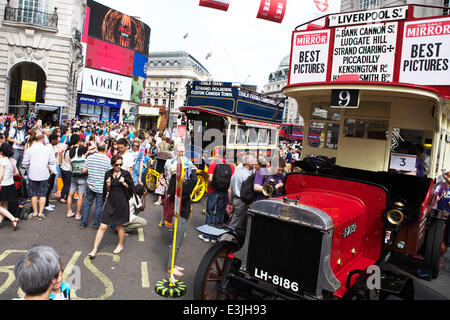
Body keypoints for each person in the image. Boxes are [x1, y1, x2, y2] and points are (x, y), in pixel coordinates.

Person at [87, 155, 135, 258]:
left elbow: (131, 189)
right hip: (111, 202)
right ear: (112, 164)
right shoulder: (108, 174)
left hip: (122, 203)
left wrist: (124, 183)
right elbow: (107, 190)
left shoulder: (125, 174)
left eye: (120, 164)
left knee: (119, 226)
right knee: (102, 226)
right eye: (116, 164)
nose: (119, 166)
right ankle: (94, 249)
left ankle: (120, 244)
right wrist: (108, 184)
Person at [166, 158, 197, 277]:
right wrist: (193, 170)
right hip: (180, 217)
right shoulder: (181, 185)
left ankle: (172, 264)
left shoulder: (175, 183)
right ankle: (170, 267)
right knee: (176, 243)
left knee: (176, 242)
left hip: (178, 216)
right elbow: (193, 181)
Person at [199, 146, 234, 243]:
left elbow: (210, 178)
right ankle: (214, 237)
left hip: (213, 191)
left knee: (210, 212)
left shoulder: (213, 163)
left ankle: (206, 235)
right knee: (219, 213)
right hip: (224, 192)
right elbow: (231, 181)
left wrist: (208, 187)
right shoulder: (231, 165)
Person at [220, 154, 257, 242]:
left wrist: (231, 202)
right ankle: (223, 242)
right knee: (234, 224)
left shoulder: (236, 173)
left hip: (235, 200)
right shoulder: (247, 175)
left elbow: (230, 190)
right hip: (241, 201)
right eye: (253, 163)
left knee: (234, 221)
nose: (254, 165)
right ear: (248, 163)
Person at [22, 133, 56, 220]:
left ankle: (35, 212)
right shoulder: (48, 150)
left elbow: (25, 163)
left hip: (32, 174)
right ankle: (41, 213)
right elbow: (52, 162)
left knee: (33, 194)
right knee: (43, 195)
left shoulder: (30, 150)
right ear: (43, 139)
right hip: (44, 174)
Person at [80, 142, 112, 229]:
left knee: (87, 204)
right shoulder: (108, 160)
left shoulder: (90, 157)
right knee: (99, 205)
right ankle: (96, 224)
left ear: (97, 148)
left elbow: (83, 170)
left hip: (90, 184)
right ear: (105, 149)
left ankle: (83, 223)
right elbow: (110, 174)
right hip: (101, 186)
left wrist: (90, 170)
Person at [67, 134, 88, 220]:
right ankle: (78, 214)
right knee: (80, 195)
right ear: (79, 140)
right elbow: (92, 147)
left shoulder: (70, 151)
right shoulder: (82, 148)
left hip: (73, 174)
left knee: (70, 194)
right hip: (82, 176)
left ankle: (69, 211)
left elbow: (70, 162)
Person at [0, 143, 20, 230]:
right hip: (10, 185)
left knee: (1, 206)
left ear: (1, 152)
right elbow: (16, 173)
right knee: (4, 206)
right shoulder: (12, 160)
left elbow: (0, 175)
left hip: (3, 185)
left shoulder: (2, 161)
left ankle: (13, 219)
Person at [43, 134, 59, 212]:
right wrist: (50, 170)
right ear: (52, 140)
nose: (57, 141)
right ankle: (45, 204)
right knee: (48, 188)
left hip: (52, 170)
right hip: (50, 171)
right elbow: (47, 160)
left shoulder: (51, 147)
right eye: (56, 139)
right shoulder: (48, 148)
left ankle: (47, 203)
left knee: (50, 188)